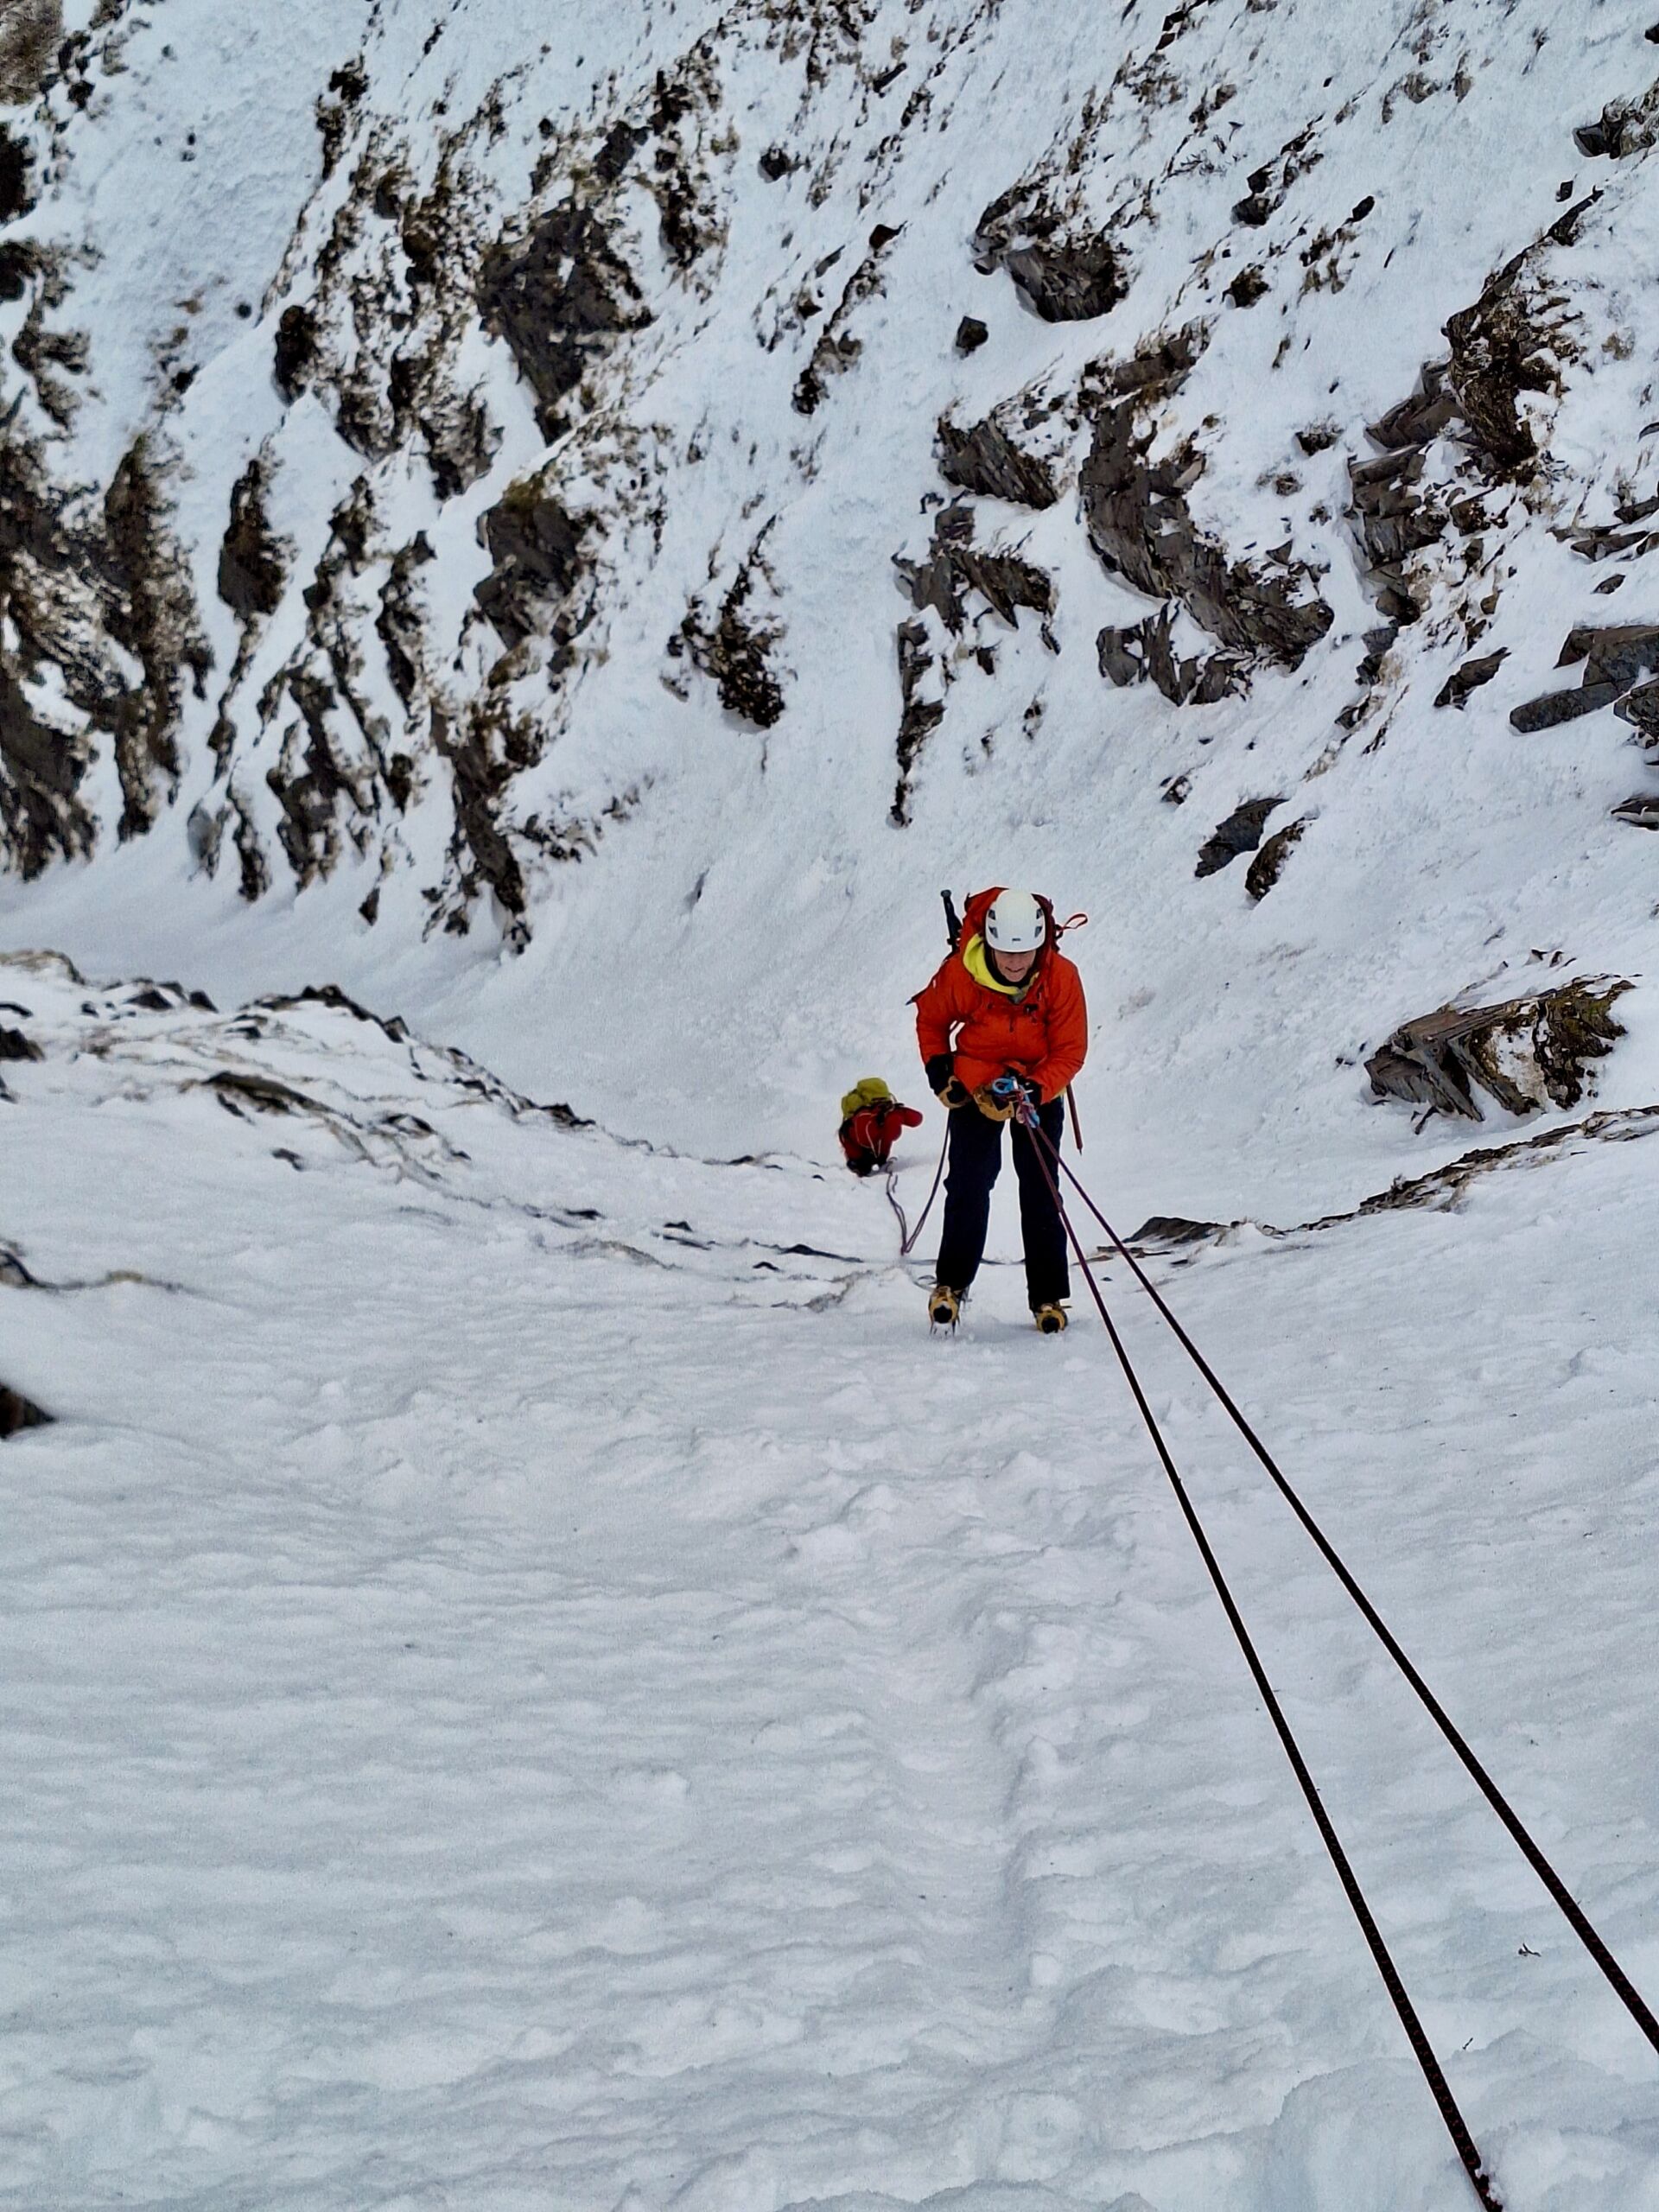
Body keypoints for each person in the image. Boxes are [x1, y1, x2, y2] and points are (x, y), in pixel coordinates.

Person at [912, 887, 1087, 1332]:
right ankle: (950, 1284)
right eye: (1006, 953)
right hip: (976, 1084)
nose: (1014, 963)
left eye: (1025, 952)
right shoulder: (961, 973)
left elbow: (1070, 1051)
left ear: (1041, 943)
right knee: (969, 1184)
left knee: (1041, 1189)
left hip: (1038, 1087)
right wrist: (939, 1071)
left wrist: (1036, 1085)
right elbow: (931, 1019)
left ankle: (1048, 1296)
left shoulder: (1060, 977)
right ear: (988, 943)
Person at [837, 1077, 923, 1177]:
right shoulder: (866, 1116)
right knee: (886, 1128)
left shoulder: (865, 1116)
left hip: (864, 1154)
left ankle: (865, 1164)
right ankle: (866, 1163)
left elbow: (916, 1119)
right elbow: (916, 1119)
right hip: (865, 1155)